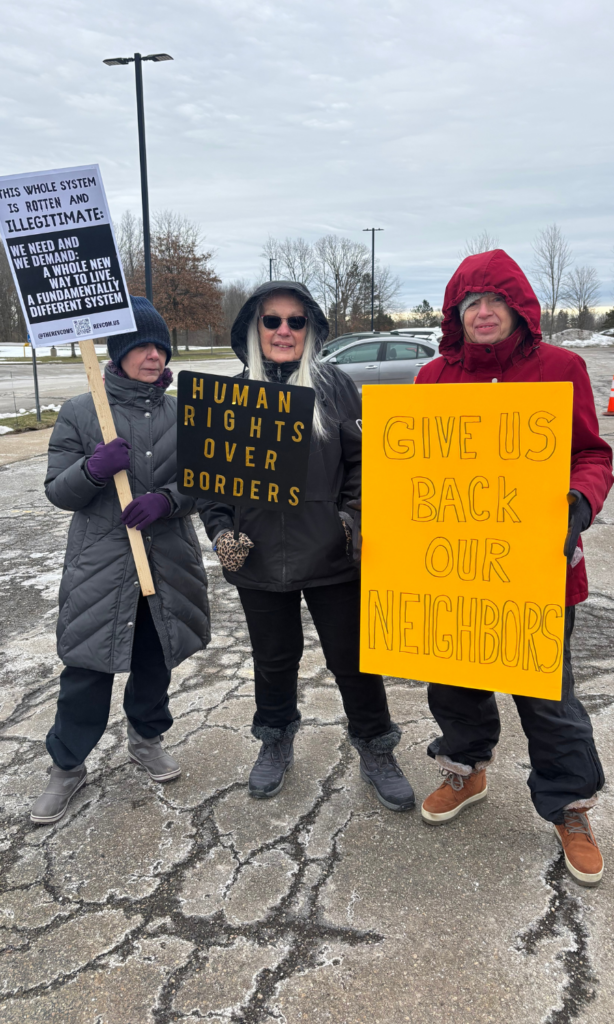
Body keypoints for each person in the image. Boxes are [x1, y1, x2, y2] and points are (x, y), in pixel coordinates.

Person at [416, 249, 613, 886]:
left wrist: (579, 503)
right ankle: (465, 767)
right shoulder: (433, 378)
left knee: (547, 695)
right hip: (455, 566)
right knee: (454, 679)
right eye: (471, 303)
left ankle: (569, 806)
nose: (483, 312)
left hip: (539, 565)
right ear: (457, 314)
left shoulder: (562, 368)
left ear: (518, 307)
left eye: (494, 301)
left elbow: (592, 454)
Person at [198, 281, 414, 810]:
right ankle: (274, 741)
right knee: (274, 659)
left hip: (332, 556)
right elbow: (209, 483)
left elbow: (366, 465)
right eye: (272, 321)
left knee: (353, 660)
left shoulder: (337, 387)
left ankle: (376, 747)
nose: (284, 331)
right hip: (257, 559)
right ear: (254, 327)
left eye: (296, 322)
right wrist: (222, 533)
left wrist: (349, 520)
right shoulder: (231, 396)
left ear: (311, 329)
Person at [31, 297, 211, 824]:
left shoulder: (184, 413)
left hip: (166, 561)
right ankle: (67, 765)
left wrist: (169, 501)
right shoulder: (82, 412)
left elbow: (202, 484)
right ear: (118, 352)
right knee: (88, 668)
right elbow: (57, 493)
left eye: (161, 347)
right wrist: (92, 468)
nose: (153, 357)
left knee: (156, 658)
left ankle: (146, 738)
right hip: (102, 567)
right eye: (141, 347)